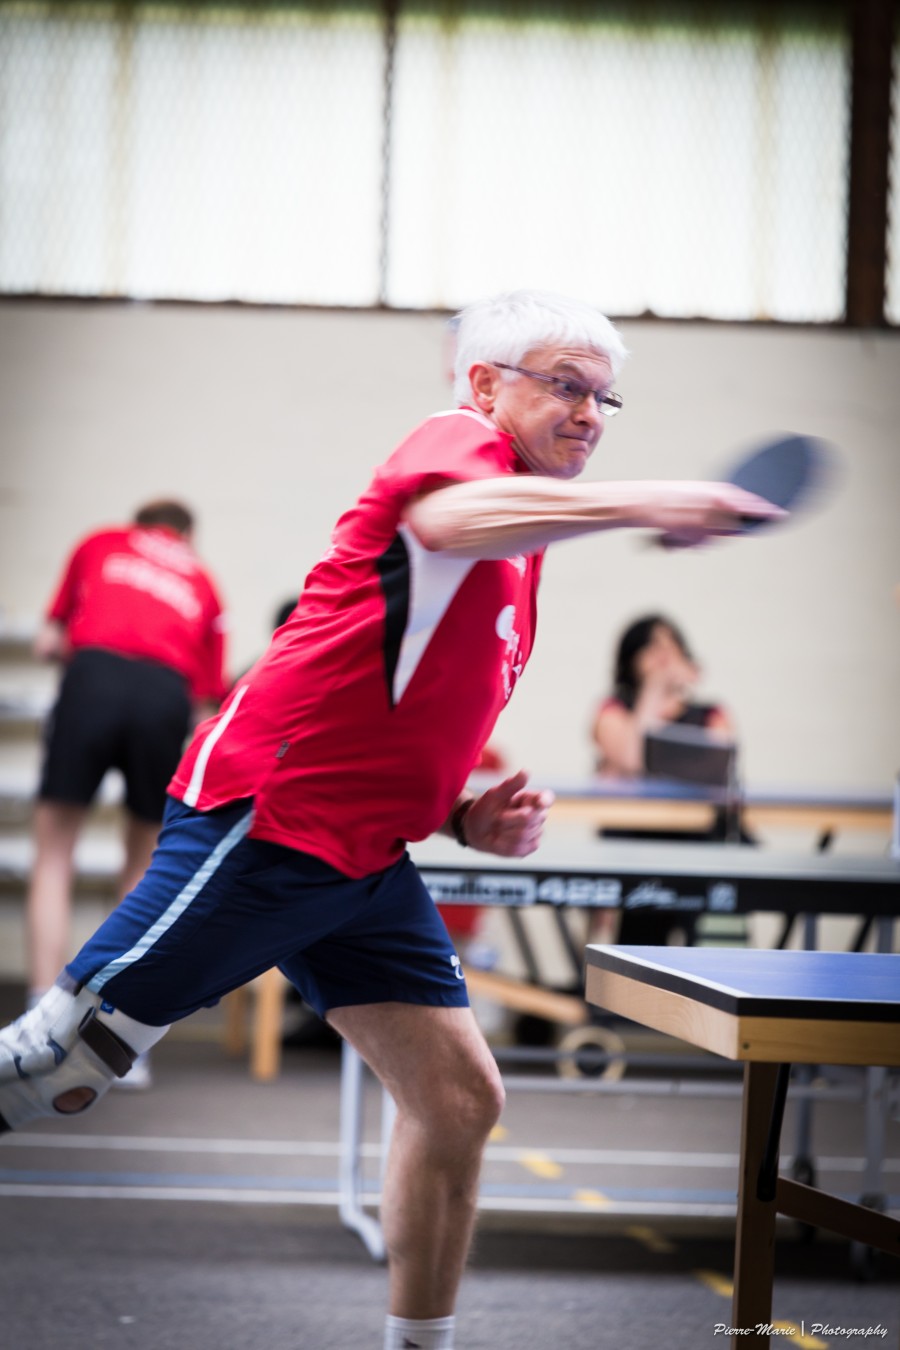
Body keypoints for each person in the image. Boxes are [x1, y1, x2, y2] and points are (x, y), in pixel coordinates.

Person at [0, 290, 781, 1350]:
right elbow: (449, 519)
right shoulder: (459, 445)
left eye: (605, 398)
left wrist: (465, 813)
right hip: (271, 819)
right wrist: (654, 502)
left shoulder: (527, 547)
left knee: (458, 1099)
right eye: (566, 385)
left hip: (367, 857)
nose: (589, 414)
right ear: (485, 385)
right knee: (61, 1066)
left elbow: (402, 703)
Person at [25, 500, 228, 1083]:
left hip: (93, 678)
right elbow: (207, 702)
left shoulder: (100, 543)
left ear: (139, 523)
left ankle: (37, 1025)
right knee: (142, 868)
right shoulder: (203, 581)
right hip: (163, 694)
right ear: (186, 536)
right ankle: (115, 1039)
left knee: (54, 853)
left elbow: (47, 641)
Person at [592, 613, 745, 945]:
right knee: (640, 942)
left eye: (670, 644)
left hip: (704, 843)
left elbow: (719, 766)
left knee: (713, 943)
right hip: (636, 847)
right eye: (650, 646)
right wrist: (653, 691)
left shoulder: (711, 713)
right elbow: (632, 758)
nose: (662, 654)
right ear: (630, 660)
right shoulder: (614, 710)